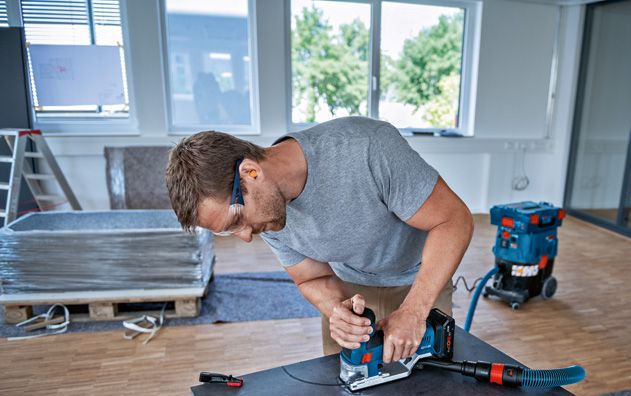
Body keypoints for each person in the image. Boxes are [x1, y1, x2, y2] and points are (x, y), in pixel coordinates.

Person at [165, 116, 473, 362]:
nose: (245, 236)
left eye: (237, 221)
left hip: (421, 281)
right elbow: (309, 277)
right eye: (228, 231)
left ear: (251, 172)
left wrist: (415, 311)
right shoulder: (268, 214)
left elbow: (454, 220)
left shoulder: (367, 149)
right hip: (353, 290)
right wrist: (337, 310)